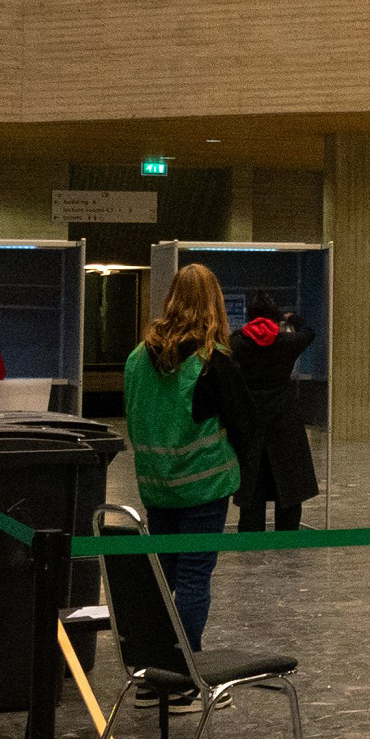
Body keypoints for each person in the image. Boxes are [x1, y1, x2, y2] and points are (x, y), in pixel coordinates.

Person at [122, 263, 254, 690]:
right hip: (204, 486)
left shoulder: (138, 358)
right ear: (215, 302)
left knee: (162, 579)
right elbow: (245, 425)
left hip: (156, 485)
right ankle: (185, 678)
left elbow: (134, 416)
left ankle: (153, 673)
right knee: (195, 578)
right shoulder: (213, 361)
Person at [228, 291, 319, 533]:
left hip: (251, 424)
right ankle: (287, 539)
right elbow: (309, 332)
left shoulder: (237, 344)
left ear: (250, 317)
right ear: (274, 317)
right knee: (288, 490)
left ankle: (250, 539)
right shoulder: (286, 344)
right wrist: (292, 318)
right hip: (285, 423)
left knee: (252, 490)